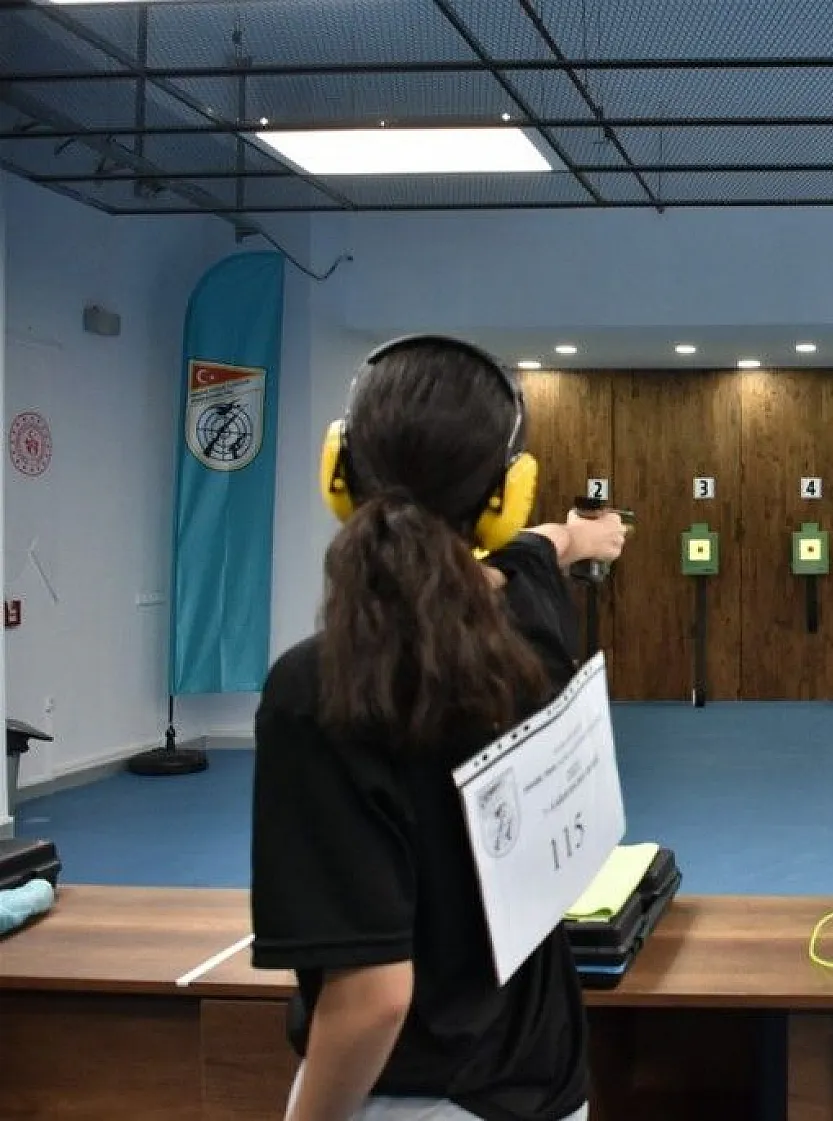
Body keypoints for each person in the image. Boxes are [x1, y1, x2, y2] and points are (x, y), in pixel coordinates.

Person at [249, 335, 628, 1121]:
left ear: (339, 474)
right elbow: (535, 552)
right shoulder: (534, 636)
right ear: (505, 497)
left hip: (409, 1097)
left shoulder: (317, 687)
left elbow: (372, 996)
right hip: (547, 1088)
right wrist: (582, 537)